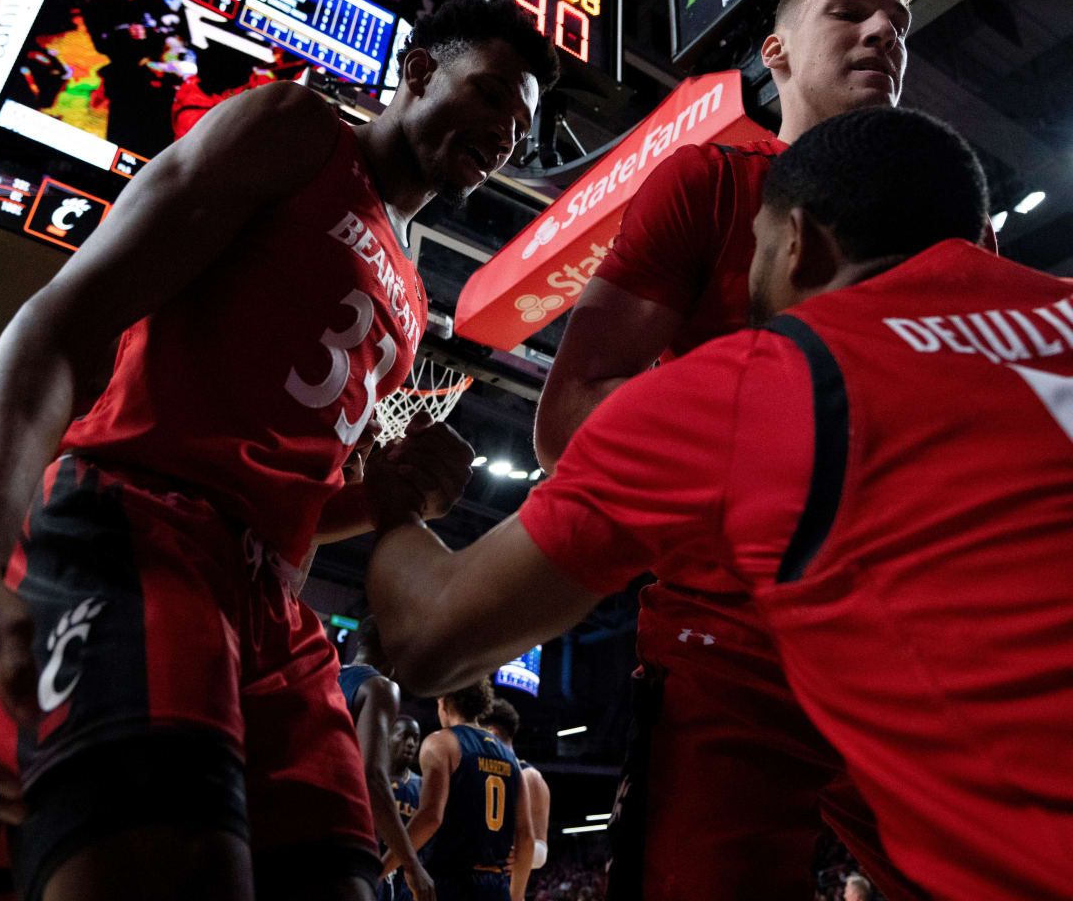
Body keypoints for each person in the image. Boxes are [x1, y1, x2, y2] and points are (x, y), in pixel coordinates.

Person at [0, 0, 559, 901]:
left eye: (518, 125)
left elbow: (281, 502)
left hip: (269, 601)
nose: (502, 131)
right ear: (415, 71)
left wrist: (384, 495)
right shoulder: (295, 131)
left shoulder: (408, 294)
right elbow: (58, 323)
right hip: (137, 530)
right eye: (486, 94)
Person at [369, 106, 1073, 901]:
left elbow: (431, 640)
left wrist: (398, 501)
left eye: (761, 249)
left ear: (800, 242)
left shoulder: (760, 382)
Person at [532, 0, 920, 900]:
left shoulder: (952, 232)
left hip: (909, 643)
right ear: (776, 53)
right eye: (850, 11)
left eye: (899, 23)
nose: (883, 33)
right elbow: (568, 416)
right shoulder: (708, 184)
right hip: (730, 641)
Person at [386, 680, 532, 901]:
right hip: (495, 886)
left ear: (445, 702)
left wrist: (382, 867)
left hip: (448, 882)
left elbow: (430, 817)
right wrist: (518, 896)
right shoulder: (510, 758)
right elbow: (526, 838)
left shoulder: (440, 742)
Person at [339, 617, 434, 901]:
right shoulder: (380, 686)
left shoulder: (323, 671)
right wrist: (413, 865)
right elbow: (372, 778)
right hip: (338, 837)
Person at [482, 699, 548, 872]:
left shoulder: (529, 776)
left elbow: (541, 853)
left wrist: (515, 851)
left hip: (507, 886)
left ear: (491, 732)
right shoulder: (480, 771)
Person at [386, 718, 423, 901]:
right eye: (405, 736)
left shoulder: (423, 788)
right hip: (370, 870)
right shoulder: (365, 779)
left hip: (406, 878)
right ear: (387, 737)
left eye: (415, 739)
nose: (411, 744)